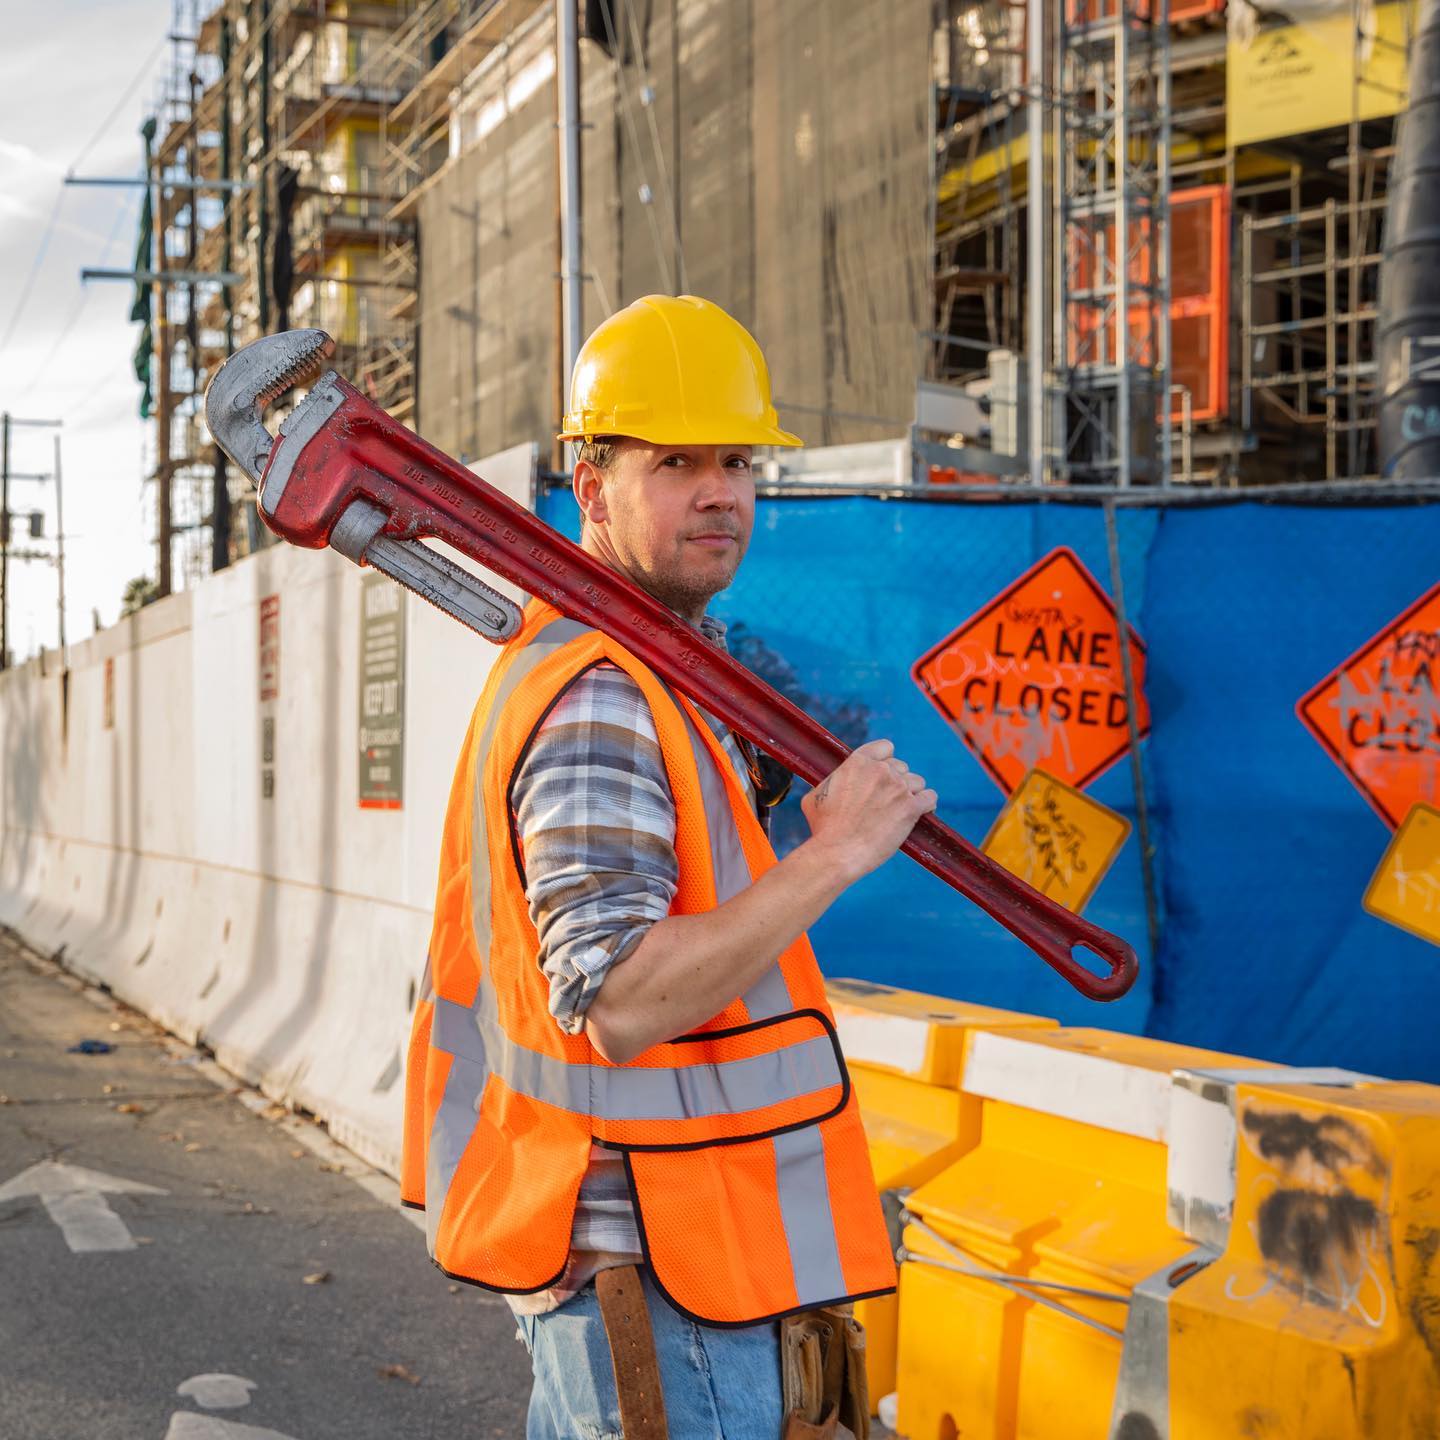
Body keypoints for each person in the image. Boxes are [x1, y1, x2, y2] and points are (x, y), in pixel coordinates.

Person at [401, 295, 937, 1439]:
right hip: (657, 1277)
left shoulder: (649, 668)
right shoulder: (603, 691)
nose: (722, 492)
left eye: (738, 461)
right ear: (589, 486)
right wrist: (836, 853)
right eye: (677, 461)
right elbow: (621, 999)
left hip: (669, 1267)